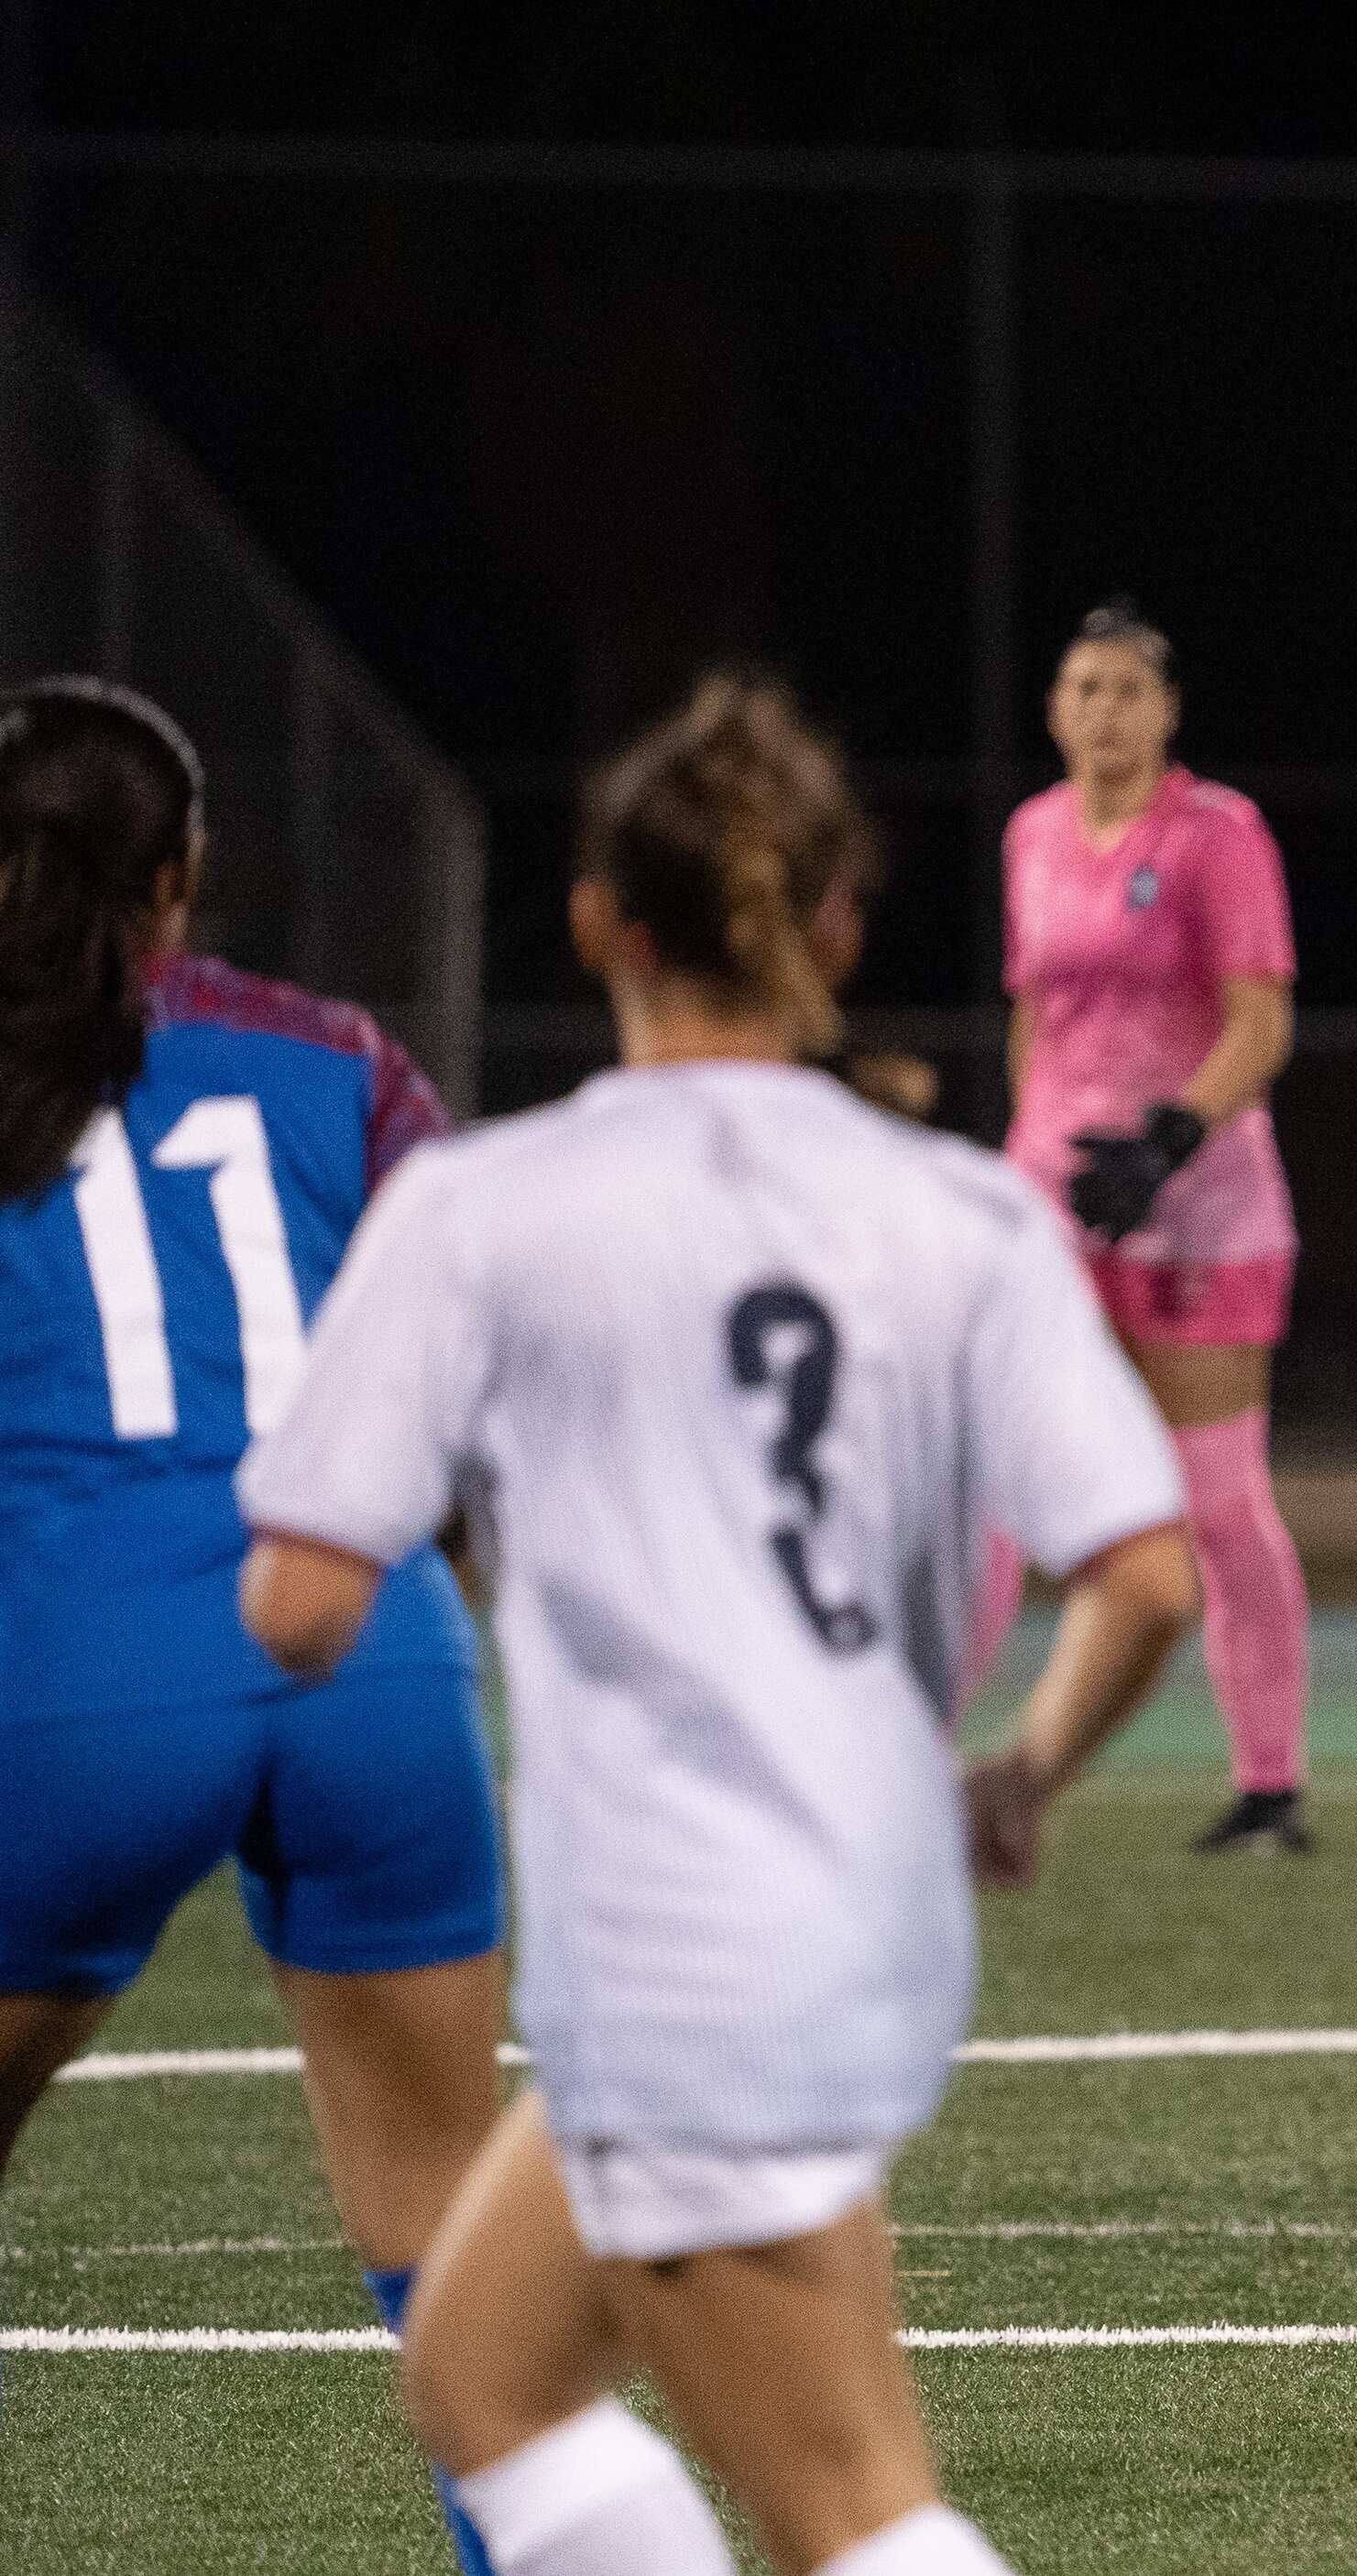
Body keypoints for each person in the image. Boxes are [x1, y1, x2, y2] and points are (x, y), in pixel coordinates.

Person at [235, 675, 1200, 2576]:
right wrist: (1021, 1774)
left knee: (853, 2510)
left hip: (683, 1927)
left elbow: (299, 1602)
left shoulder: (486, 1206)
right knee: (486, 2377)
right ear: (835, 927)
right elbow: (1149, 1574)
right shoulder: (962, 1212)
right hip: (861, 1902)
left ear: (600, 922)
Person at [0, 678, 509, 2569]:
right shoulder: (334, 1056)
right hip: (375, 1652)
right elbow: (476, 1348)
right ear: (186, 870)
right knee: (452, 2240)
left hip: (80, 1671)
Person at [982, 599, 1310, 1856]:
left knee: (1217, 1503)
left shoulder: (1219, 836)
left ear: (1167, 713)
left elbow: (1260, 1023)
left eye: (1127, 689)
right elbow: (1037, 1018)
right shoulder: (1032, 836)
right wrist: (1034, 1154)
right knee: (992, 1482)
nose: (1102, 711)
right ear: (1054, 708)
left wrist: (1170, 1140)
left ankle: (1269, 1785)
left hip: (1202, 1214)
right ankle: (924, 1751)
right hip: (1056, 1200)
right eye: (1081, 688)